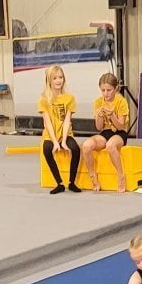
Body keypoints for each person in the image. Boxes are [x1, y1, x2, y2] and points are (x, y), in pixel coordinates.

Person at [79, 72, 132, 193]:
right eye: (103, 90)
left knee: (110, 146)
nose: (106, 93)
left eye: (109, 90)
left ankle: (121, 176)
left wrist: (112, 115)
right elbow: (99, 127)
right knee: (87, 145)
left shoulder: (121, 101)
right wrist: (99, 116)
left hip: (120, 133)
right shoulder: (98, 102)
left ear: (115, 89)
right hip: (105, 132)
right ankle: (93, 176)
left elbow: (121, 126)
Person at [40, 65, 82, 194]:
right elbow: (47, 123)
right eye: (55, 78)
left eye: (61, 77)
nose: (58, 80)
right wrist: (55, 142)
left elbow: (67, 121)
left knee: (75, 149)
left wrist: (63, 141)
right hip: (50, 134)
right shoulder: (44, 99)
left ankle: (72, 182)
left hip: (65, 133)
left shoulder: (69, 98)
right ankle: (59, 183)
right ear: (49, 81)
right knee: (47, 150)